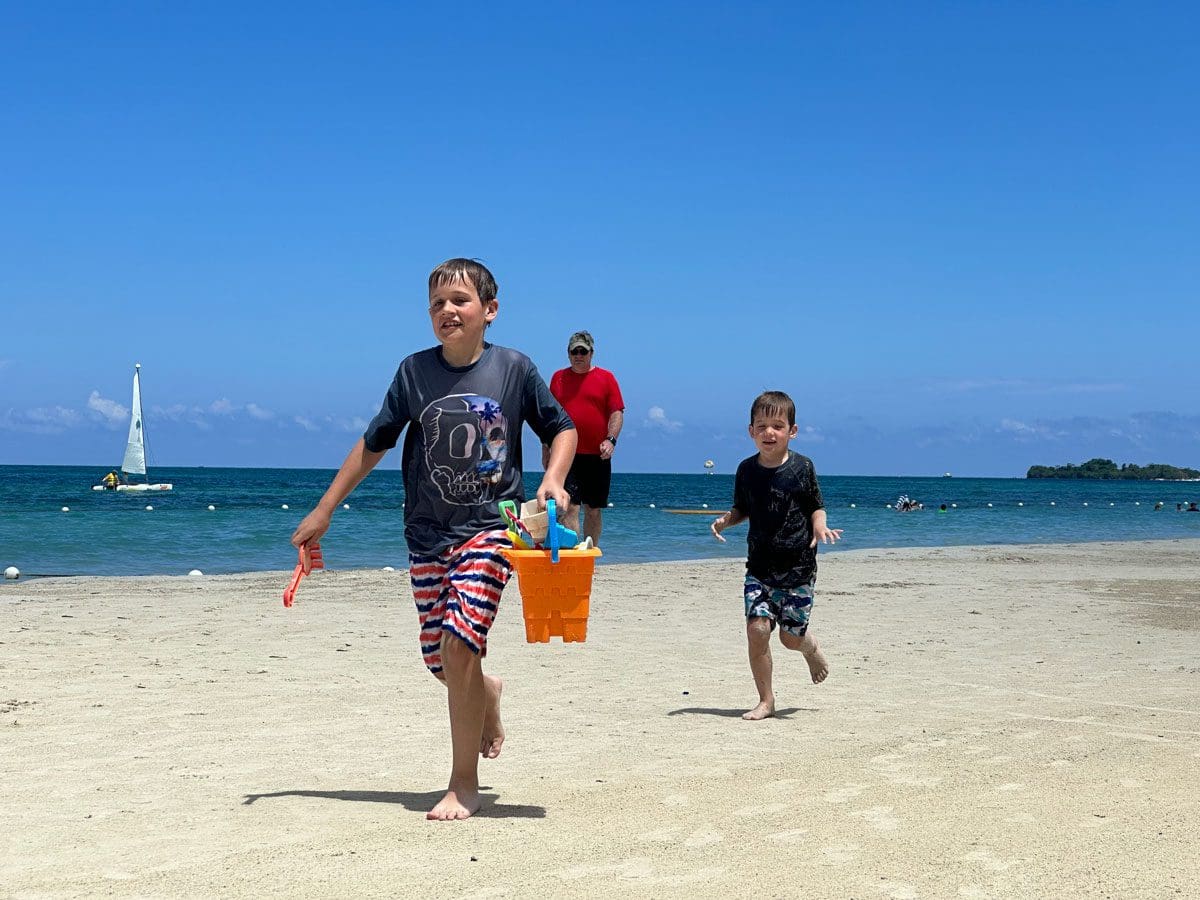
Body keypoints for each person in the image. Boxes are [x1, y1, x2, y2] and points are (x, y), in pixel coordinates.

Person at [290, 258, 577, 821]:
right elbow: (373, 443)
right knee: (441, 660)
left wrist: (553, 479)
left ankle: (462, 782)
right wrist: (325, 509)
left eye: (460, 301)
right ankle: (487, 693)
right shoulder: (413, 374)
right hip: (426, 535)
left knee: (458, 644)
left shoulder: (514, 369)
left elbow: (562, 427)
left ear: (489, 311)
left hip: (494, 528)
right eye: (437, 303)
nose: (448, 310)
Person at [710, 390, 842, 721]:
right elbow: (743, 509)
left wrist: (820, 528)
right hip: (759, 568)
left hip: (798, 568)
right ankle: (766, 701)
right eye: (762, 425)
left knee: (789, 638)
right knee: (756, 630)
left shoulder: (802, 467)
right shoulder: (746, 470)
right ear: (751, 430)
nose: (770, 432)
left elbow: (816, 507)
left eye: (778, 426)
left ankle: (811, 649)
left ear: (791, 431)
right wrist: (727, 521)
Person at [543, 330, 625, 547]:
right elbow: (549, 416)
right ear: (568, 354)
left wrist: (611, 440)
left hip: (597, 456)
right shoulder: (558, 378)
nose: (578, 355)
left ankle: (591, 553)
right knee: (569, 506)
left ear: (591, 353)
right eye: (574, 351)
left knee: (593, 509)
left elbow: (617, 412)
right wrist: (546, 449)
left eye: (583, 351)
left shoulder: (606, 378)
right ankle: (571, 554)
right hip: (566, 454)